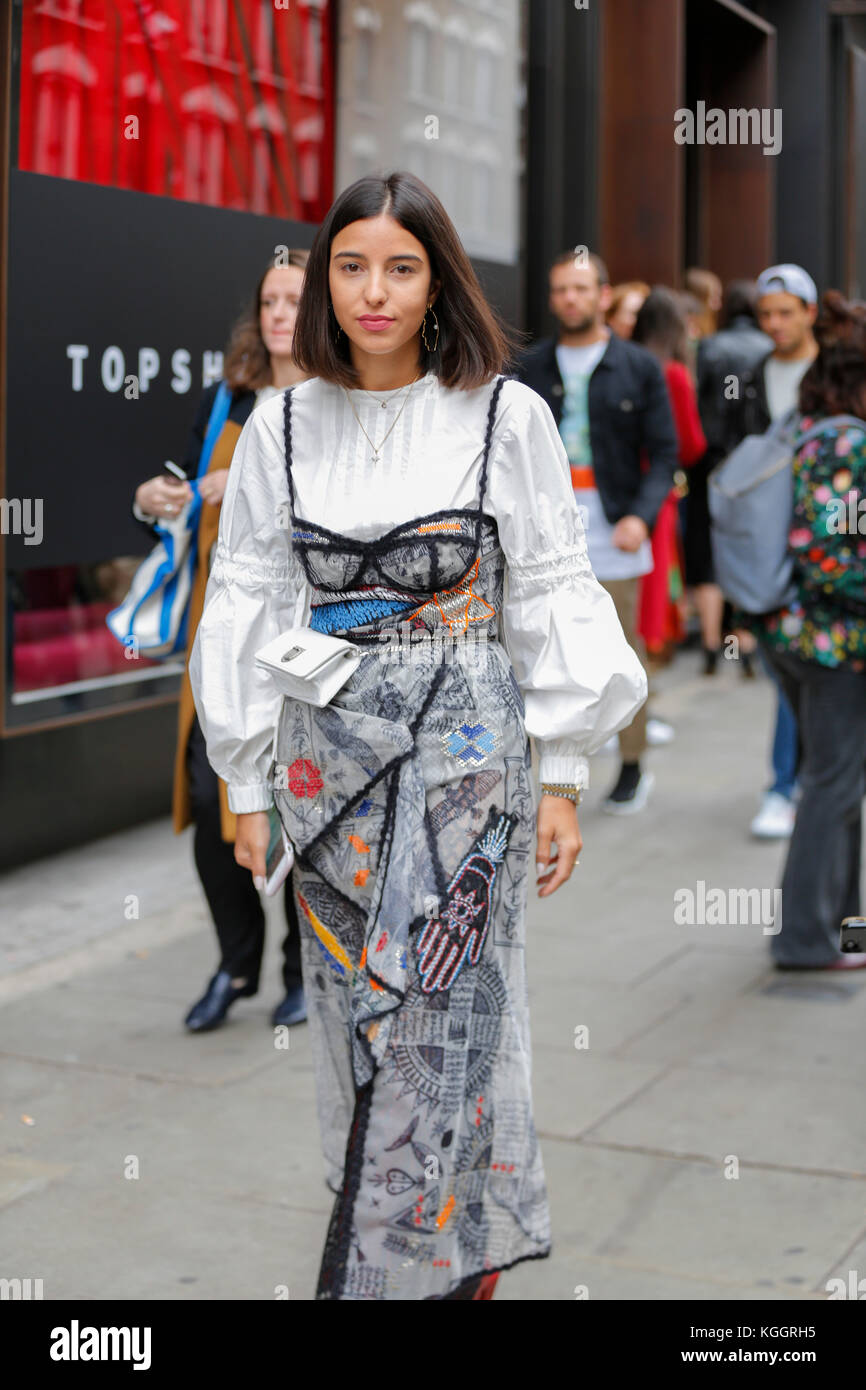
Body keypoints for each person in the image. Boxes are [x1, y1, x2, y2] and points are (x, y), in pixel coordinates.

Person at [189, 172, 647, 1300]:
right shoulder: (282, 425)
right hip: (323, 771)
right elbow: (245, 603)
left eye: (401, 267)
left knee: (449, 1011)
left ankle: (424, 1269)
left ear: (438, 278)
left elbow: (548, 592)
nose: (373, 292)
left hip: (467, 770)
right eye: (350, 266)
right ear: (321, 278)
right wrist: (242, 783)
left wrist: (564, 775)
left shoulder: (505, 413)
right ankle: (413, 1244)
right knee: (353, 1014)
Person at [133, 251, 311, 1033]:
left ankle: (303, 971)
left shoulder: (338, 400)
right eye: (268, 300)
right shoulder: (230, 399)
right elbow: (178, 485)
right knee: (214, 798)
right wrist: (157, 498)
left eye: (292, 301)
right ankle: (237, 962)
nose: (277, 314)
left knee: (305, 796)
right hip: (225, 631)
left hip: (312, 634)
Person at [516, 250, 678, 813]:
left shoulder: (638, 366)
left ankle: (632, 763)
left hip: (615, 521)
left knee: (622, 648)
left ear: (603, 295)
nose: (570, 299)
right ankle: (548, 767)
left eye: (581, 289)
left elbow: (664, 452)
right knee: (540, 643)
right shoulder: (532, 368)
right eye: (561, 290)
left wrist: (641, 515)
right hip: (546, 523)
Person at [752, 291, 866, 968]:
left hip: (790, 635)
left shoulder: (805, 428)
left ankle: (846, 927)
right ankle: (802, 939)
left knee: (840, 781)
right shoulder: (847, 443)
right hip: (833, 645)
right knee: (831, 782)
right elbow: (829, 557)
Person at [725, 264, 819, 840]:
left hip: (829, 540)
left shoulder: (836, 371)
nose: (776, 324)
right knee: (786, 667)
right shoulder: (751, 376)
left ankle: (793, 780)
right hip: (768, 545)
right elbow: (733, 456)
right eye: (767, 314)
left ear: (810, 312)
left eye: (787, 312)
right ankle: (789, 781)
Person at [689, 280, 772, 671]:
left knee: (707, 547)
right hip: (755, 465)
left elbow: (697, 402)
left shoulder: (710, 346)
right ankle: (745, 643)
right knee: (747, 544)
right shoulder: (768, 349)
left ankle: (710, 644)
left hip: (710, 460)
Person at [632, 288, 707, 670]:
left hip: (618, 490)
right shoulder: (673, 373)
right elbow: (691, 445)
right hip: (659, 494)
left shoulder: (627, 363)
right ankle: (645, 689)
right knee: (655, 593)